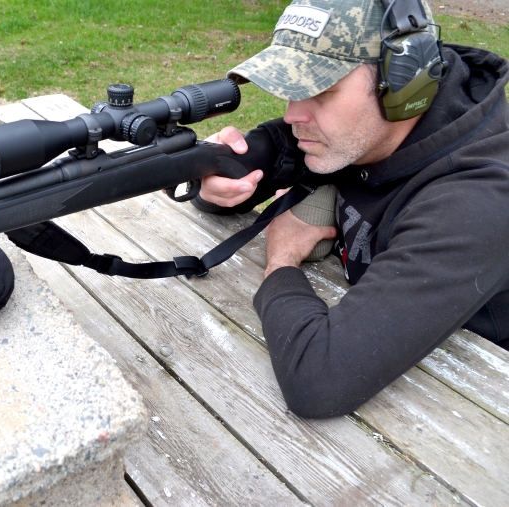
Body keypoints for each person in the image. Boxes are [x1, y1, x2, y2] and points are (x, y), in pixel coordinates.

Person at [196, 0, 509, 418]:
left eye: (321, 91)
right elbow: (263, 158)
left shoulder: (479, 201)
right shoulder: (362, 131)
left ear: (403, 85)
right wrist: (214, 183)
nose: (293, 114)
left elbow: (319, 381)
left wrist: (282, 258)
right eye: (292, 87)